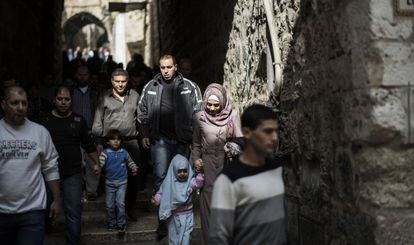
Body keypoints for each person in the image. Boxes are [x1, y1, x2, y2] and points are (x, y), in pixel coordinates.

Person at [137, 54, 202, 239]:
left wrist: (195, 138)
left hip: (183, 141)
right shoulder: (151, 87)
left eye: (169, 67)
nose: (165, 71)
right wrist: (144, 134)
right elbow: (141, 112)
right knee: (160, 179)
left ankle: (180, 221)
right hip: (160, 141)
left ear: (175, 67)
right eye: (162, 68)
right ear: (159, 68)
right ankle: (163, 223)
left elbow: (199, 112)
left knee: (182, 180)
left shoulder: (189, 87)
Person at [209, 104, 286, 245]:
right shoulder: (228, 180)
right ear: (247, 132)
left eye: (276, 131)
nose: (274, 137)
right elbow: (218, 236)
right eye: (268, 131)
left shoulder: (276, 169)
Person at [0, 86, 61, 245]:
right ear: (3, 105)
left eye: (24, 103)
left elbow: (50, 167)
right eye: (14, 103)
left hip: (32, 213)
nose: (20, 108)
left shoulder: (40, 132)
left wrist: (56, 198)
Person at [40, 85, 100, 244]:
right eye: (60, 99)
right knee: (45, 208)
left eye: (67, 99)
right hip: (48, 174)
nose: (63, 102)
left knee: (73, 210)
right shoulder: (45, 121)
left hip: (72, 173)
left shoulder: (79, 120)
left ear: (71, 101)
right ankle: (46, 229)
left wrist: (97, 163)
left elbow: (89, 145)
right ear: (54, 100)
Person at [191, 83, 242, 245]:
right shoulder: (198, 117)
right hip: (207, 166)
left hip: (226, 164)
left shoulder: (233, 115)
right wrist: (196, 159)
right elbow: (196, 144)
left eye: (216, 105)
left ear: (223, 103)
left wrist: (233, 147)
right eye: (209, 104)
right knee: (207, 207)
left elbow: (240, 140)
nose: (212, 108)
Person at [93, 68, 141, 221]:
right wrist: (99, 143)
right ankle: (113, 209)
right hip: (111, 144)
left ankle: (130, 206)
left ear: (128, 81)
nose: (120, 85)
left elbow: (141, 117)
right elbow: (97, 121)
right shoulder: (104, 97)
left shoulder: (134, 96)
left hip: (131, 142)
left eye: (123, 82)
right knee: (112, 177)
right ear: (112, 81)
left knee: (134, 175)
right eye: (117, 82)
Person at [152, 154, 204, 245]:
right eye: (179, 171)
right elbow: (162, 193)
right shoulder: (169, 183)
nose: (182, 174)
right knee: (173, 236)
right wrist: (156, 199)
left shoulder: (190, 181)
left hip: (188, 215)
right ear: (174, 171)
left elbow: (198, 184)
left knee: (186, 236)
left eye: (185, 171)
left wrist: (199, 174)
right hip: (174, 215)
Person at [72, 64, 103, 200]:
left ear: (89, 76)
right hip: (74, 132)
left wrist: (100, 137)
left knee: (93, 162)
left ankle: (91, 191)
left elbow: (102, 113)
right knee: (75, 163)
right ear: (76, 75)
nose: (82, 77)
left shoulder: (96, 92)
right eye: (80, 74)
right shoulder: (70, 92)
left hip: (92, 132)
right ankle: (76, 190)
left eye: (85, 74)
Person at [99, 129, 138, 234]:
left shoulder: (124, 153)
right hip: (109, 184)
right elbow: (100, 164)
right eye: (112, 139)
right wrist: (97, 168)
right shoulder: (105, 153)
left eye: (118, 139)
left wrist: (134, 168)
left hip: (122, 183)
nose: (115, 141)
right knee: (109, 206)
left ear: (121, 141)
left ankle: (121, 224)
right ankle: (111, 223)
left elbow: (130, 162)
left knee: (120, 204)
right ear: (107, 141)